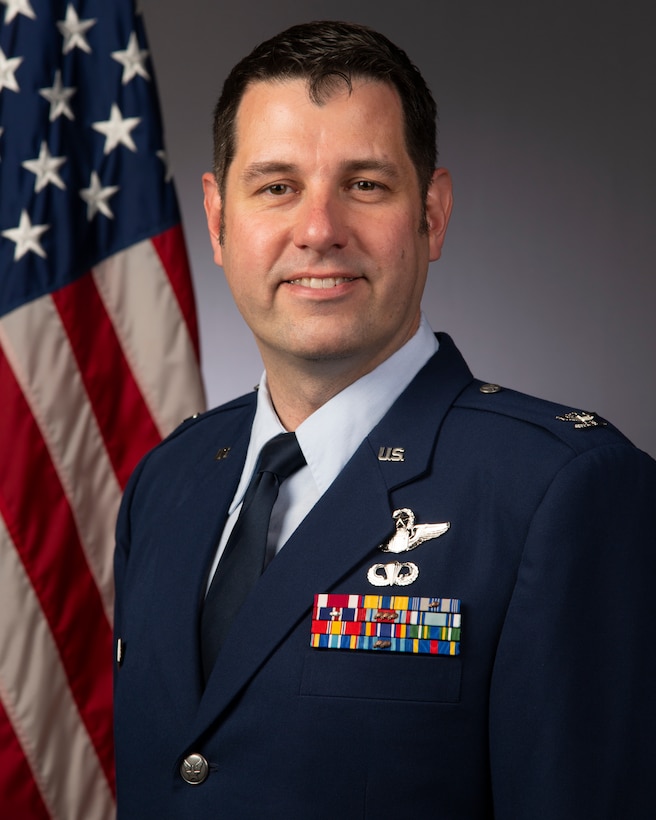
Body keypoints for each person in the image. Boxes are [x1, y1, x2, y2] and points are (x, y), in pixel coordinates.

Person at [113, 20, 656, 819]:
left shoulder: (562, 491)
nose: (319, 230)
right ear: (219, 220)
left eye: (365, 184)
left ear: (432, 215)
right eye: (276, 186)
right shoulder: (169, 481)